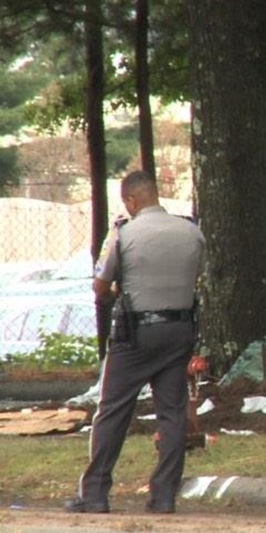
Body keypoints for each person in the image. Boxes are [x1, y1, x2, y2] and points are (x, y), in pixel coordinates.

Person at [66, 171, 205, 514]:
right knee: (172, 413)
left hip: (136, 335)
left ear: (131, 201)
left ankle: (95, 493)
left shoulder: (123, 234)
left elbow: (101, 287)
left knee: (113, 410)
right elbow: (197, 275)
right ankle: (164, 495)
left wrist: (119, 289)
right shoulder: (191, 231)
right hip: (180, 332)